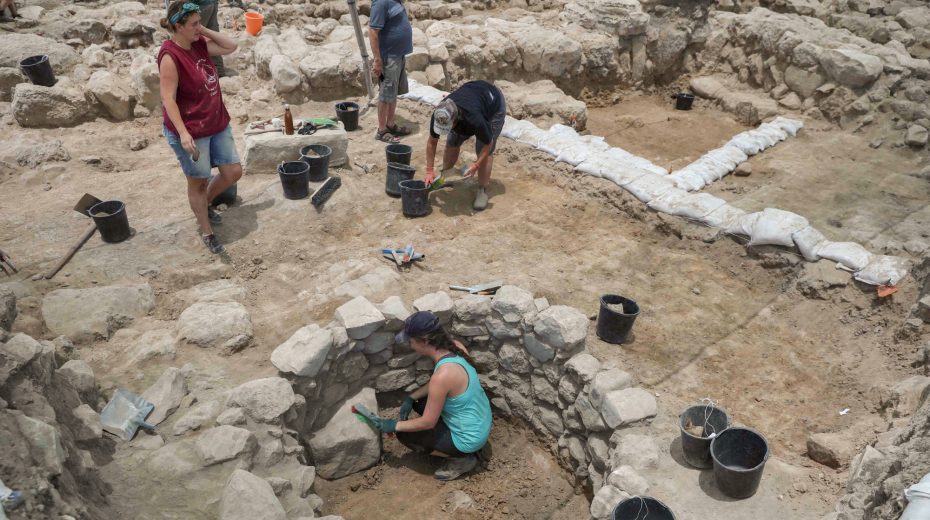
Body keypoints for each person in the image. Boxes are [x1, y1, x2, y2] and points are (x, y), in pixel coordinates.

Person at [368, 311, 493, 481]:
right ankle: (461, 444)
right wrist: (411, 398)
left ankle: (462, 459)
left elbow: (428, 422)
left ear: (424, 341)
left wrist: (394, 425)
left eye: (411, 341)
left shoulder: (441, 376)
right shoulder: (455, 347)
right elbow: (444, 384)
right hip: (480, 423)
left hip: (469, 439)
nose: (410, 344)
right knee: (421, 403)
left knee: (405, 434)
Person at [158, 0, 241, 254]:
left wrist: (202, 30)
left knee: (233, 172)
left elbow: (231, 46)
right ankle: (207, 232)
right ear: (178, 26)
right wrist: (183, 133)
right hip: (192, 129)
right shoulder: (170, 56)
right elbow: (168, 99)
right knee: (198, 182)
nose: (198, 28)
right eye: (193, 24)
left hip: (216, 122)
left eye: (199, 24)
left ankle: (204, 204)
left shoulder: (200, 44)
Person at [425, 80, 506, 211]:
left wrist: (476, 165)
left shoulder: (474, 119)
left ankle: (482, 190)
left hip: (493, 105)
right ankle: (446, 176)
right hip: (473, 94)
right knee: (452, 141)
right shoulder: (440, 113)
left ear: (455, 120)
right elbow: (432, 141)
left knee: (482, 148)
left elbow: (487, 143)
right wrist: (429, 171)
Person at [368, 0, 413, 143]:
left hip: (398, 54)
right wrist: (377, 59)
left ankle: (390, 124)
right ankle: (381, 130)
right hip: (388, 57)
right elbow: (373, 31)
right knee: (386, 93)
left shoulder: (395, 1)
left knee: (392, 92)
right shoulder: (380, 3)